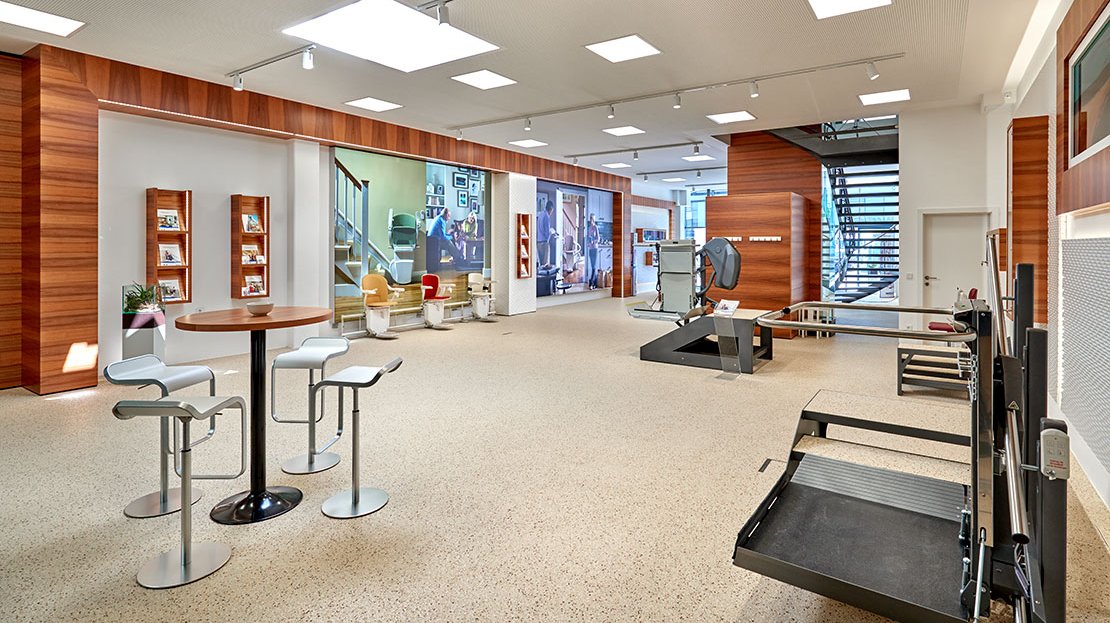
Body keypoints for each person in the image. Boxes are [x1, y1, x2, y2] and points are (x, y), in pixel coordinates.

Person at [426, 206, 460, 272]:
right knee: (448, 242)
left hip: (432, 239)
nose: (449, 218)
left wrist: (450, 235)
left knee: (450, 239)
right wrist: (452, 237)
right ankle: (457, 258)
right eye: (449, 216)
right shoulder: (442, 221)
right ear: (445, 215)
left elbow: (442, 234)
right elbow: (443, 237)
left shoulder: (439, 218)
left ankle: (455, 257)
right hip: (434, 241)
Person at [585, 213, 600, 289]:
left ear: (594, 220)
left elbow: (598, 239)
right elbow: (588, 237)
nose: (591, 220)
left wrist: (593, 241)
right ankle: (595, 283)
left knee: (594, 266)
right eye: (590, 218)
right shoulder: (589, 228)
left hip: (595, 248)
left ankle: (591, 283)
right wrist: (588, 243)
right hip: (590, 249)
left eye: (592, 219)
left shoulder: (595, 227)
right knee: (592, 266)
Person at [536, 199, 551, 269]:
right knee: (545, 264)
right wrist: (550, 235)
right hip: (544, 242)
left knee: (541, 264)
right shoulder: (547, 216)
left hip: (538, 242)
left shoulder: (540, 214)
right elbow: (547, 231)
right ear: (551, 209)